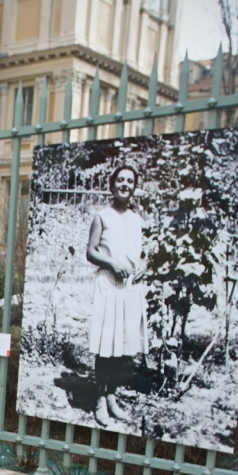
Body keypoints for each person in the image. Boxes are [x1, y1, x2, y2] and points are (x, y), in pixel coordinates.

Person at [83, 165, 147, 428]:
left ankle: (112, 397)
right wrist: (111, 264)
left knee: (121, 347)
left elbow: (139, 253)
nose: (124, 184)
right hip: (109, 286)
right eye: (120, 180)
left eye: (129, 181)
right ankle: (99, 400)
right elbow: (91, 252)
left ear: (134, 187)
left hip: (130, 288)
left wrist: (144, 265)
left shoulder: (137, 219)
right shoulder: (102, 216)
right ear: (112, 185)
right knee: (106, 346)